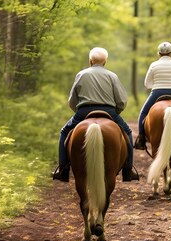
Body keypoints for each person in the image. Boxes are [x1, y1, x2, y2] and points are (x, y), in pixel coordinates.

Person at [52, 47, 139, 182]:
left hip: (84, 111)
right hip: (108, 111)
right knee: (127, 131)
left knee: (64, 132)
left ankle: (63, 170)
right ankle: (128, 170)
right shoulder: (112, 76)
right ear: (105, 61)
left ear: (90, 61)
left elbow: (72, 100)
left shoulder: (81, 74)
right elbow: (121, 100)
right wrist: (117, 111)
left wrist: (78, 112)